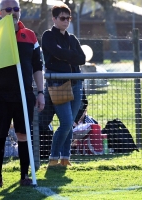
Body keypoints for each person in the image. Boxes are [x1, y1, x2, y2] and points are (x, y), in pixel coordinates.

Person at [0, 0, 45, 189]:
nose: (13, 12)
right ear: (0, 13)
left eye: (16, 9)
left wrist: (40, 92)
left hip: (24, 95)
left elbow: (37, 67)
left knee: (24, 135)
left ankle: (24, 175)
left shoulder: (30, 36)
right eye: (8, 9)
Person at [41, 2, 85, 167]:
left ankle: (65, 158)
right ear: (54, 18)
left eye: (68, 18)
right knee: (66, 123)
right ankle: (53, 158)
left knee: (71, 123)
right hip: (58, 85)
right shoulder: (48, 36)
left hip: (76, 83)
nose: (66, 21)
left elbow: (81, 58)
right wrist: (69, 55)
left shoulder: (72, 38)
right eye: (62, 18)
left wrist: (65, 55)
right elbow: (55, 52)